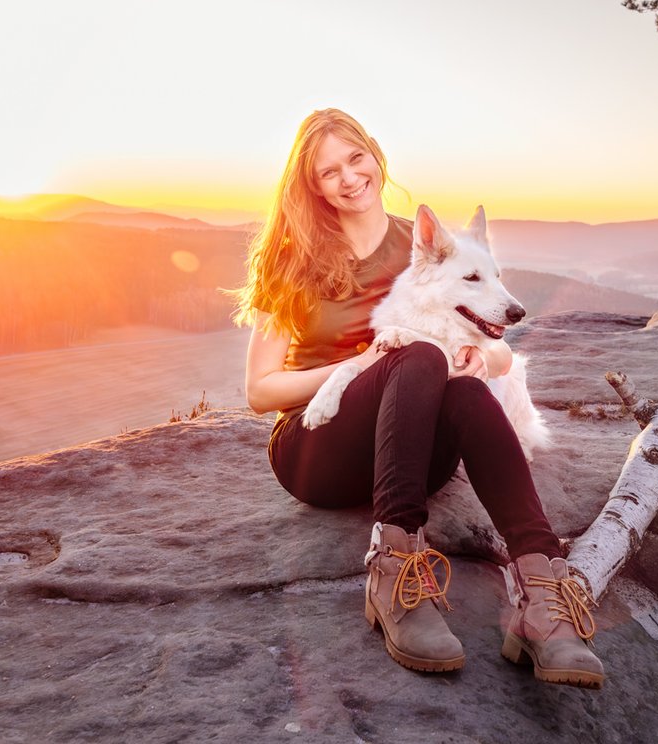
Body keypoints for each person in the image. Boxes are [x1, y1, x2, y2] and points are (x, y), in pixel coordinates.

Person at [232, 108, 603, 688]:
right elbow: (260, 391)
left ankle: (540, 589)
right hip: (318, 449)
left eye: (356, 159)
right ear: (313, 186)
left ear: (376, 155)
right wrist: (360, 363)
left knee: (469, 395)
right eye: (329, 172)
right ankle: (394, 567)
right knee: (421, 354)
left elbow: (502, 348)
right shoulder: (293, 262)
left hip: (409, 452)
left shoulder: (429, 243)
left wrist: (486, 359)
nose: (350, 177)